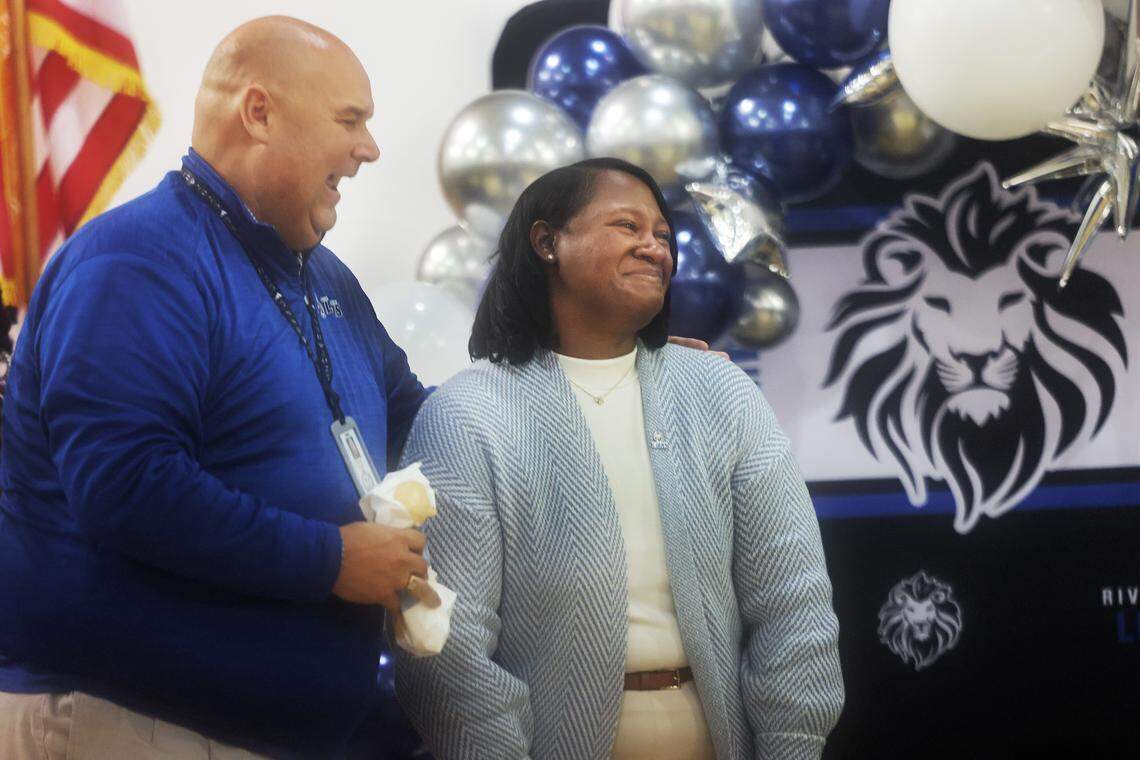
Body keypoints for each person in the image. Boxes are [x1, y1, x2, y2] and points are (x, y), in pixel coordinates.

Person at [0, 16, 440, 759]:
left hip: (270, 733)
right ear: (259, 113)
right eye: (350, 120)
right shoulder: (137, 261)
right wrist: (329, 561)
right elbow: (126, 484)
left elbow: (420, 419)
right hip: (132, 720)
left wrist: (571, 381)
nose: (369, 148)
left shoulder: (324, 278)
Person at [395, 157, 845, 759]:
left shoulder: (722, 393)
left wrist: (793, 746)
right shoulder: (467, 414)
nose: (654, 248)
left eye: (662, 235)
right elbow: (450, 642)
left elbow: (794, 599)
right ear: (548, 243)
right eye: (627, 226)